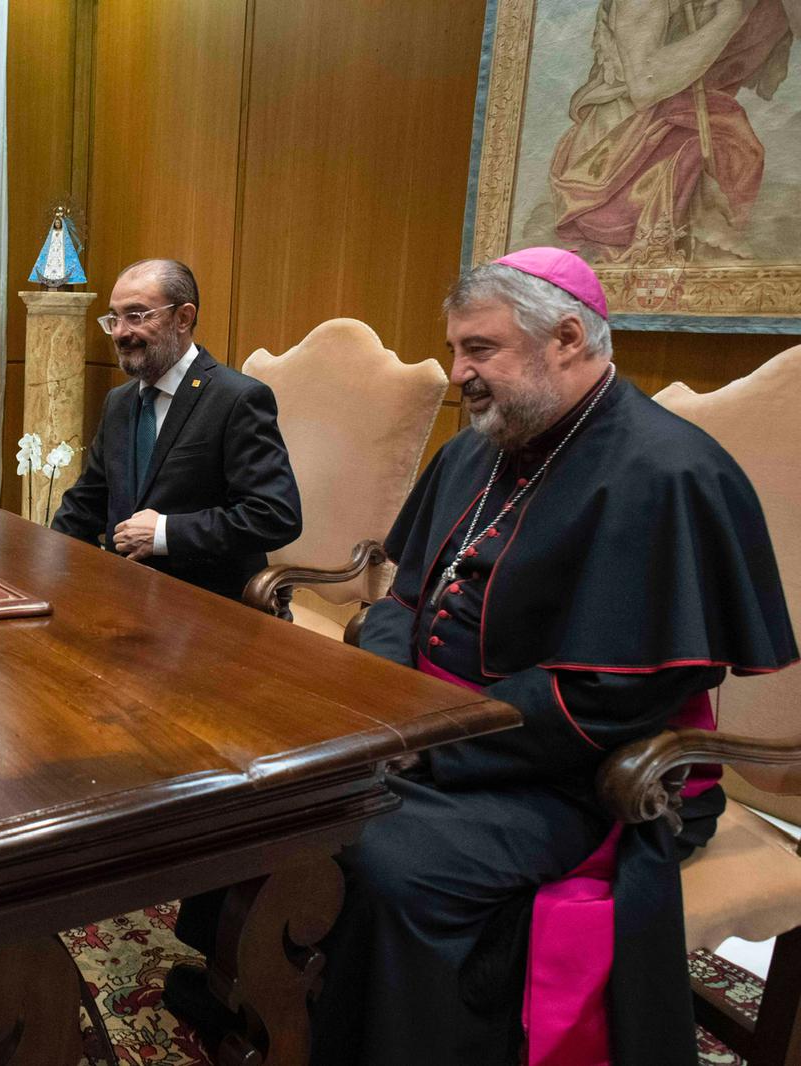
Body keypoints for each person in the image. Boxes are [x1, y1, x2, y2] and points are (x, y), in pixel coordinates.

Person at [295, 248, 794, 1065]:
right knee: (287, 803)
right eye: (458, 350)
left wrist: (430, 736)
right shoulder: (480, 449)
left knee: (392, 864)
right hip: (444, 730)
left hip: (590, 770)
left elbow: (606, 699)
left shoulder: (664, 474)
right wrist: (395, 696)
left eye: (479, 349)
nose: (459, 373)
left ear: (566, 337)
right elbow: (403, 598)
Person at [49, 258, 301, 600]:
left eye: (136, 316)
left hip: (206, 604)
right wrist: (46, 573)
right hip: (120, 597)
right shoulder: (118, 402)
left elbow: (275, 515)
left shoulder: (237, 399)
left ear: (183, 317)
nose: (121, 332)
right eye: (114, 318)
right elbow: (84, 506)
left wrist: (166, 533)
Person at [548, 0, 795, 260]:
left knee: (726, 133)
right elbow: (645, 87)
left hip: (669, 127)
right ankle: (704, 216)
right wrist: (726, 21)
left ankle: (707, 215)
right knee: (704, 141)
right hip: (621, 158)